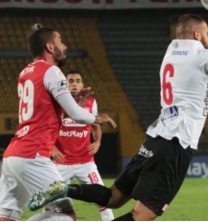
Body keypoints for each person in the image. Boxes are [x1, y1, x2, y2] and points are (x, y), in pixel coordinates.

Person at [28, 13, 208, 221]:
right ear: (196, 34)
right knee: (142, 214)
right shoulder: (199, 56)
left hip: (155, 138)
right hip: (176, 144)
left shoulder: (172, 51)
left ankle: (64, 189)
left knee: (114, 196)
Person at [0, 23, 117, 221]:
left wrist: (73, 102)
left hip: (13, 155)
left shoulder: (25, 73)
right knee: (66, 214)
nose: (65, 46)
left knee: (7, 216)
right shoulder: (51, 71)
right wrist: (97, 118)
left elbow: (47, 112)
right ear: (50, 47)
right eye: (60, 41)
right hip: (33, 155)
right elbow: (77, 116)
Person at [50, 70, 114, 221]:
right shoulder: (57, 103)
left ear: (82, 85)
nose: (74, 84)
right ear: (65, 84)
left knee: (103, 199)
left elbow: (96, 125)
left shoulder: (92, 103)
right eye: (71, 81)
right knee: (52, 200)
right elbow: (48, 127)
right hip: (61, 162)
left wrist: (97, 142)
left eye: (78, 81)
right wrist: (52, 148)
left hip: (86, 162)